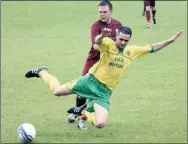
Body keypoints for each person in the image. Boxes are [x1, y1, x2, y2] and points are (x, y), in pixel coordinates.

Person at [25, 26, 183, 129]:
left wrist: (169, 41)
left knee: (100, 123)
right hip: (89, 81)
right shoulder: (108, 43)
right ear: (117, 37)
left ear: (129, 41)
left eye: (125, 40)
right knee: (56, 92)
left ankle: (85, 113)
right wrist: (102, 35)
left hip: (104, 93)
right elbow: (97, 41)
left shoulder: (132, 51)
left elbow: (152, 48)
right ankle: (42, 72)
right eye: (120, 39)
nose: (122, 42)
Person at [67, 0, 122, 129]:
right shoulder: (95, 26)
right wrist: (110, 45)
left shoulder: (118, 25)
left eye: (105, 12)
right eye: (100, 12)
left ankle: (83, 118)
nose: (102, 14)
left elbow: (121, 43)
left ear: (111, 11)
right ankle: (76, 111)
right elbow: (96, 46)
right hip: (93, 61)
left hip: (107, 65)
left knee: (97, 94)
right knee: (81, 91)